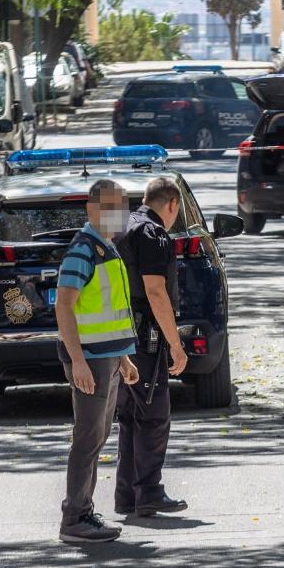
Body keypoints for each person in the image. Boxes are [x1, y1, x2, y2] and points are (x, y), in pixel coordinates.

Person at [54, 179, 139, 544]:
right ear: (91, 209)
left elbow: (111, 312)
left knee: (97, 435)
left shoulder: (106, 249)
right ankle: (75, 516)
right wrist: (78, 361)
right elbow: (64, 306)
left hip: (107, 359)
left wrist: (123, 357)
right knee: (88, 438)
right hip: (90, 360)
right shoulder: (83, 250)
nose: (117, 215)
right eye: (110, 207)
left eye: (121, 207)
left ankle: (82, 511)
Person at [114, 176, 189, 518]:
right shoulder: (152, 233)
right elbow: (155, 291)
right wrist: (176, 344)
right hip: (145, 337)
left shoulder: (123, 226)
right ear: (171, 203)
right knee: (154, 414)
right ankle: (149, 492)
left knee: (131, 415)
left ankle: (127, 494)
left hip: (121, 335)